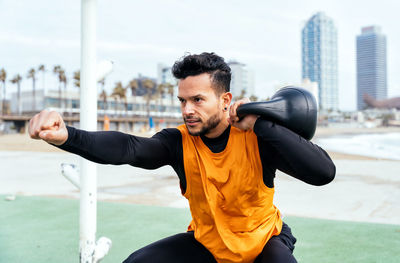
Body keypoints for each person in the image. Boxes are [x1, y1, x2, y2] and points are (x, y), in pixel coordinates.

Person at [29, 52, 335, 263]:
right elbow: (128, 148)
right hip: (210, 245)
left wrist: (262, 123)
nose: (187, 109)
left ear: (225, 100)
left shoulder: (256, 138)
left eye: (198, 99)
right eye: (183, 100)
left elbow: (323, 172)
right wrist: (67, 135)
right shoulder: (178, 142)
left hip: (264, 242)